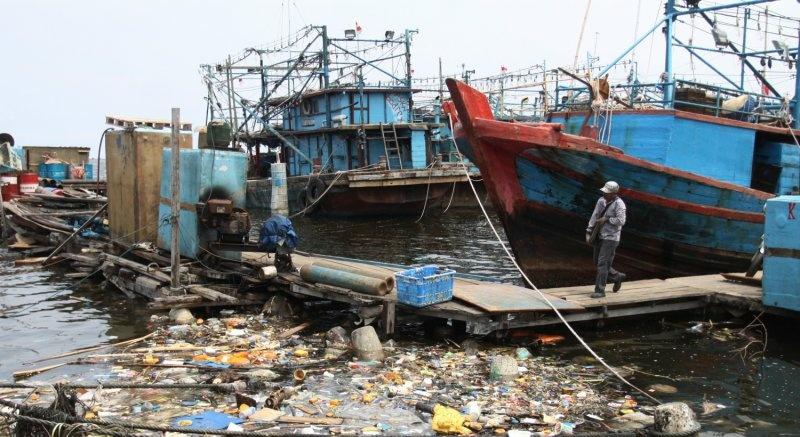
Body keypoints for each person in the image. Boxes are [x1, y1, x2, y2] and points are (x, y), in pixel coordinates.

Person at [585, 181, 627, 298]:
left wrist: (607, 219)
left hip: (611, 238)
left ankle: (600, 290)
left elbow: (621, 221)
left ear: (614, 193)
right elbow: (595, 215)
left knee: (602, 263)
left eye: (607, 192)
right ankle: (616, 276)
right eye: (604, 191)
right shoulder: (601, 201)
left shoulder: (619, 204)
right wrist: (589, 230)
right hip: (599, 234)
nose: (604, 194)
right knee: (596, 261)